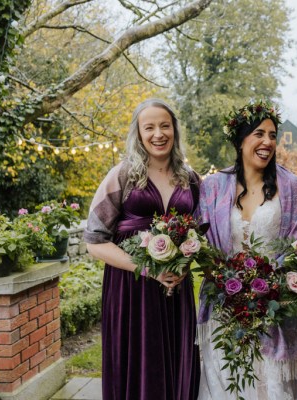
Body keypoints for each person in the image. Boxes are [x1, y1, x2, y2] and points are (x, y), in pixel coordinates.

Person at [84, 99, 201, 400]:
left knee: (177, 361)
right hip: (130, 291)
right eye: (149, 127)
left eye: (165, 126)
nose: (158, 134)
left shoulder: (191, 180)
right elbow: (94, 241)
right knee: (136, 365)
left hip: (176, 289)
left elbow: (202, 233)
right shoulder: (123, 175)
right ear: (138, 133)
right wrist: (147, 269)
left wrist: (183, 266)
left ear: (174, 130)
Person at [197, 100, 297, 400]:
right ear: (240, 139)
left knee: (273, 388)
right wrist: (228, 286)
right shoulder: (213, 187)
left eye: (272, 135)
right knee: (228, 386)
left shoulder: (291, 186)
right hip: (224, 306)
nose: (267, 142)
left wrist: (270, 289)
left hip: (276, 305)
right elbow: (203, 246)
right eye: (259, 133)